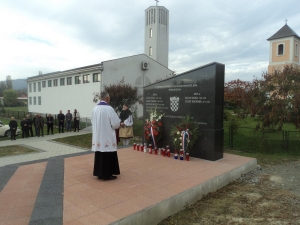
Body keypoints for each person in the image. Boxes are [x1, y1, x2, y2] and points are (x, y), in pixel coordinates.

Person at [91, 91, 121, 180]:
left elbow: (93, 122)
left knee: (99, 154)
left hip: (98, 136)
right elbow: (115, 124)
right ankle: (107, 174)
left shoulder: (95, 109)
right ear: (107, 98)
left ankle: (99, 173)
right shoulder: (109, 109)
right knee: (107, 153)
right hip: (107, 135)